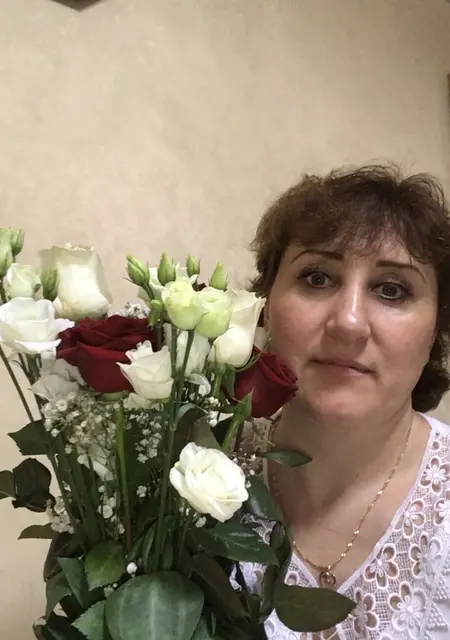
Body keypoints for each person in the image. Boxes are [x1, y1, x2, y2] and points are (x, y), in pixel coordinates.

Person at [240, 165, 450, 639]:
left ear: (436, 330)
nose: (349, 323)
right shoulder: (183, 486)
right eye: (317, 278)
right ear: (265, 305)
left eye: (392, 290)